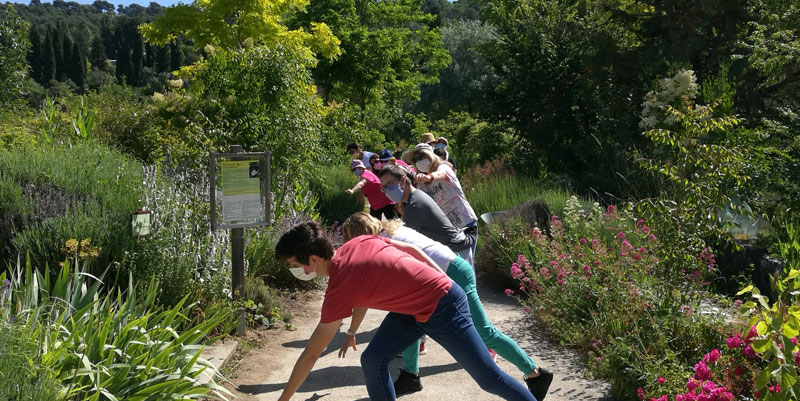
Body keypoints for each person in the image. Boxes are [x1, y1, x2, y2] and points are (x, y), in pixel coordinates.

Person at [273, 221, 537, 401]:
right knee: (373, 360)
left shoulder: (340, 286)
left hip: (443, 306)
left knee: (489, 378)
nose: (299, 272)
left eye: (296, 265)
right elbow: (410, 251)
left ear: (314, 259)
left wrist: (283, 399)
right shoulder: (357, 243)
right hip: (413, 310)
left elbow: (312, 353)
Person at [341, 213, 553, 400]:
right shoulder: (386, 233)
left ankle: (535, 373)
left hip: (452, 274)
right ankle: (411, 376)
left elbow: (364, 294)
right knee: (405, 312)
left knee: (484, 333)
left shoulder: (380, 243)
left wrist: (352, 331)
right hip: (437, 278)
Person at [376, 163, 473, 264]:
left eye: (390, 183)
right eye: (384, 187)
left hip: (456, 253)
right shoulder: (414, 197)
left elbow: (405, 243)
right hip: (452, 250)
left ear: (403, 180)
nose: (387, 189)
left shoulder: (414, 204)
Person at [403, 143, 479, 261]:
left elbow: (440, 174)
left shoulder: (444, 168)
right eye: (415, 159)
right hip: (447, 230)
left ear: (430, 155)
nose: (418, 161)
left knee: (467, 263)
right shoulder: (421, 184)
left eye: (421, 156)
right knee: (455, 264)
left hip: (465, 223)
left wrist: (429, 177)